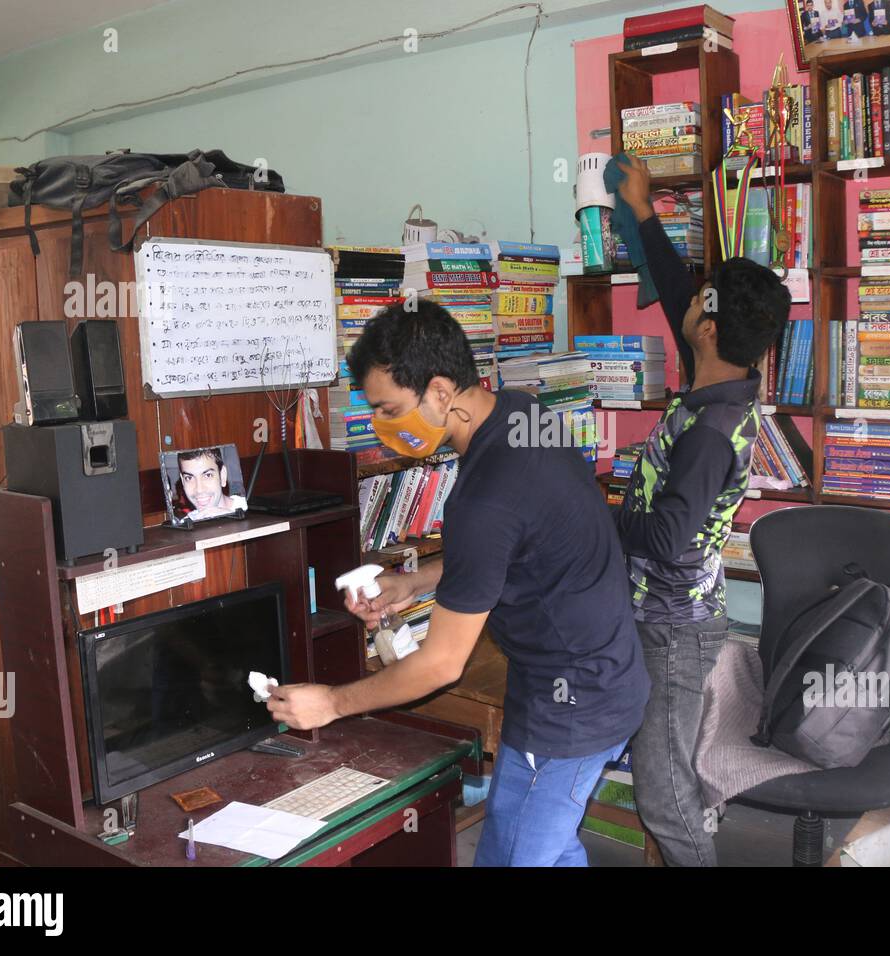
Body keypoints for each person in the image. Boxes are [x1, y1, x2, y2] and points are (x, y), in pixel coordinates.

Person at [266, 300, 650, 867]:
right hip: (595, 678)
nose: (381, 426)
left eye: (389, 408)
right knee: (548, 844)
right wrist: (414, 581)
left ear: (441, 391)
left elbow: (442, 665)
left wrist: (331, 702)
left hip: (573, 706)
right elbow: (520, 542)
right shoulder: (523, 414)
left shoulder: (485, 495)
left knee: (514, 856)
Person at [613, 155, 791, 866]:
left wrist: (589, 513)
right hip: (661, 617)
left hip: (670, 632)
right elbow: (671, 290)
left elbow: (663, 536)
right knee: (662, 773)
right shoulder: (720, 382)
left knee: (663, 794)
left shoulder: (711, 434)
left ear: (711, 330)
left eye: (703, 299)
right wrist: (642, 208)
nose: (689, 299)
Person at [174, 447, 245, 519]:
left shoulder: (249, 510)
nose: (199, 490)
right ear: (183, 481)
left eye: (208, 475)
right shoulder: (185, 523)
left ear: (222, 475)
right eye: (189, 478)